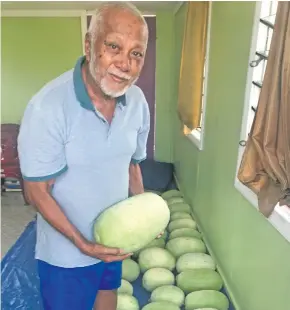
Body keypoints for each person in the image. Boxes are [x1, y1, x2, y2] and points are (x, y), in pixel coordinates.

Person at [17, 2, 161, 309]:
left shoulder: (136, 101)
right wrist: (84, 245)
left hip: (113, 238)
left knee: (107, 294)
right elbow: (35, 192)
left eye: (136, 53)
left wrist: (144, 211)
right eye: (113, 46)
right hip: (66, 254)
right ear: (88, 44)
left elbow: (132, 165)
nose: (125, 63)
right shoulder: (48, 107)